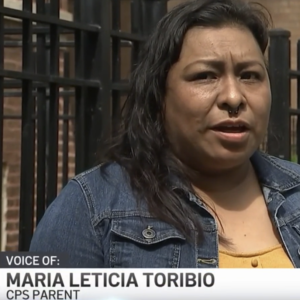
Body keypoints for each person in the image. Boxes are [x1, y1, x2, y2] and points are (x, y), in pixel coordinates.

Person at [29, 0, 300, 268]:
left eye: (250, 75)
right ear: (158, 96)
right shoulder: (88, 209)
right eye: (205, 75)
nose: (233, 97)